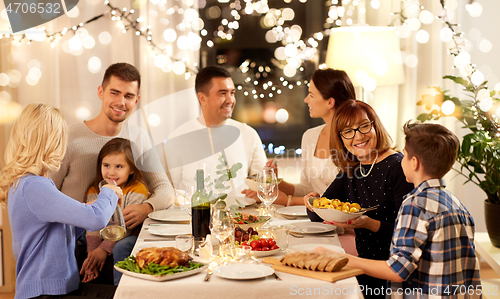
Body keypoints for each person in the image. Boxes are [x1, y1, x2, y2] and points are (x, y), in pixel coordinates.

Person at [315, 122, 481, 298]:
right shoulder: (457, 205)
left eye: (405, 154)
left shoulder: (415, 205)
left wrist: (339, 257)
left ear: (414, 163)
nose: (400, 158)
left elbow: (397, 270)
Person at [50, 63, 174, 283]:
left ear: (136, 100)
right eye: (114, 93)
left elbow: (165, 189)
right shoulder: (69, 136)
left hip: (120, 234)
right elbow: (48, 192)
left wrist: (146, 207)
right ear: (101, 92)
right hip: (75, 237)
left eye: (128, 96)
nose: (121, 102)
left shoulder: (139, 138)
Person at [0, 103, 122, 299]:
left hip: (54, 289)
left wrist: (84, 211)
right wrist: (108, 191)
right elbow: (96, 219)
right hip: (45, 293)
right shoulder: (34, 186)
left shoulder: (33, 183)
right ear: (52, 141)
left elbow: (58, 233)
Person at [303, 99, 414, 298]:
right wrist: (313, 202)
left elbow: (408, 236)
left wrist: (369, 224)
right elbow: (318, 217)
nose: (358, 136)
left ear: (375, 126)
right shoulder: (352, 169)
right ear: (341, 138)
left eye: (364, 126)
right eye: (348, 131)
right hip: (365, 265)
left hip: (393, 273)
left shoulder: (397, 167)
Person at [167, 66, 267, 194]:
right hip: (196, 213)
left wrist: (259, 191)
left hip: (242, 213)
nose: (230, 100)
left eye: (232, 93)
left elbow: (262, 184)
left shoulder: (248, 134)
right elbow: (170, 191)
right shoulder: (178, 137)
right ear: (202, 98)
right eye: (222, 94)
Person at [271, 68, 356, 206]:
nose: (306, 100)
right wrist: (274, 182)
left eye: (311, 95)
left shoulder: (354, 139)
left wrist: (288, 201)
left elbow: (345, 199)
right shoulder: (310, 136)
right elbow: (307, 189)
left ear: (330, 102)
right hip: (314, 220)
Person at [80, 138, 150, 285]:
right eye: (106, 165)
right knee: (76, 234)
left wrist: (103, 250)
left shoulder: (137, 190)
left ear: (131, 169)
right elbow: (91, 223)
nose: (111, 172)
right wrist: (92, 253)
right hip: (102, 233)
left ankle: (121, 289)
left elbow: (126, 226)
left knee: (122, 246)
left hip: (129, 234)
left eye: (119, 166)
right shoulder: (94, 190)